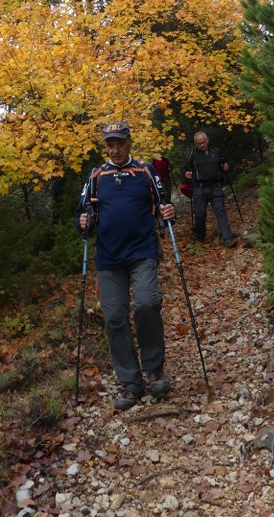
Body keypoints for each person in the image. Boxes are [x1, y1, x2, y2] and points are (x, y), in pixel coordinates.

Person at [77, 121, 176, 410]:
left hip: (142, 251)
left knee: (146, 304)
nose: (115, 148)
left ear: (129, 142)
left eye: (120, 142)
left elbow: (163, 204)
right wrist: (83, 222)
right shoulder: (96, 176)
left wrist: (167, 211)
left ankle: (155, 368)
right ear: (105, 146)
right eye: (110, 144)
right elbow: (83, 214)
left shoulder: (146, 171)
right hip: (109, 259)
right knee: (115, 318)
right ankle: (131, 382)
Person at [182, 131, 237, 248]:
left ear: (207, 140)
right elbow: (184, 167)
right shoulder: (192, 154)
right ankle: (200, 236)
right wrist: (186, 173)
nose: (201, 145)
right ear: (196, 144)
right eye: (199, 143)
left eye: (203, 142)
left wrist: (225, 167)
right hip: (199, 188)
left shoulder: (215, 152)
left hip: (215, 186)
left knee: (220, 210)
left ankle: (227, 238)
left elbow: (223, 164)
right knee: (200, 214)